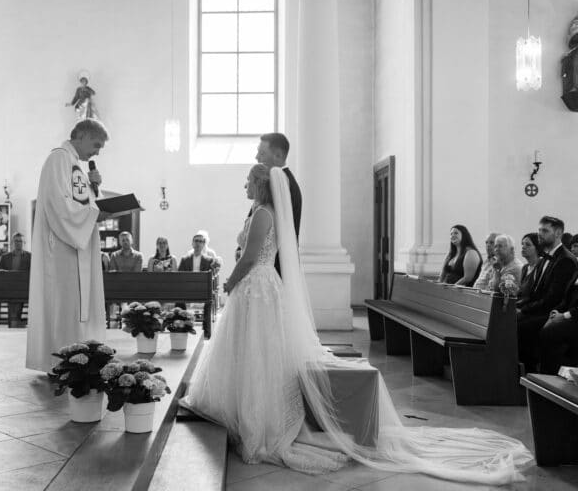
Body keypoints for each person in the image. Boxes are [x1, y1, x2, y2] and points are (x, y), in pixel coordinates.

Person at [180, 164, 532, 484]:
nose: (244, 184)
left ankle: (253, 418)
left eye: (248, 180)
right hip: (258, 288)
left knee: (256, 350)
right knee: (254, 350)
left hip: (255, 286)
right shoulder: (264, 211)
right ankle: (245, 411)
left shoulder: (262, 213)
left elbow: (251, 257)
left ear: (260, 183)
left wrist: (229, 283)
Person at [26, 119, 108, 372]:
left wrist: (95, 189)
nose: (97, 152)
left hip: (76, 247)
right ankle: (63, 362)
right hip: (63, 249)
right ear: (81, 136)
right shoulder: (59, 159)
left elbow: (82, 204)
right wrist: (94, 215)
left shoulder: (74, 164)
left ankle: (79, 358)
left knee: (76, 305)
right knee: (65, 305)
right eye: (96, 145)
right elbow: (57, 204)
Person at [517, 216, 578, 373]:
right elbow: (534, 292)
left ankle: (529, 373)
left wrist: (524, 310)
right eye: (539, 230)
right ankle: (514, 370)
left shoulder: (565, 260)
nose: (540, 234)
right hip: (543, 309)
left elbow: (553, 298)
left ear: (558, 233)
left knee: (520, 325)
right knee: (508, 319)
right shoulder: (544, 257)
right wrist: (518, 306)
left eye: (545, 230)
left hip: (549, 310)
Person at [247, 132, 301, 277]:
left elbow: (272, 231)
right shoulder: (277, 182)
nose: (257, 158)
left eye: (262, 153)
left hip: (274, 268)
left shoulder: (283, 186)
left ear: (278, 156)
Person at [0, 232, 32, 328]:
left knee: (18, 306)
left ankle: (15, 324)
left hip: (24, 288)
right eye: (16, 241)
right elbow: (0, 272)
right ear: (12, 242)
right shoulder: (5, 257)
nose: (18, 243)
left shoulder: (30, 257)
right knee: (12, 307)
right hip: (9, 288)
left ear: (24, 242)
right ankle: (13, 325)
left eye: (20, 241)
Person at [517, 232, 541, 307]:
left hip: (531, 307)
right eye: (522, 244)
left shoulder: (540, 267)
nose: (523, 247)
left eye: (528, 245)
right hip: (520, 304)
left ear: (537, 248)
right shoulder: (525, 268)